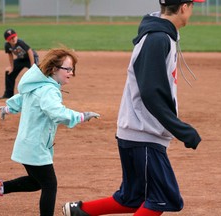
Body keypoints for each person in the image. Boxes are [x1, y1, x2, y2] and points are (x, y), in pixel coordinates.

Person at [62, 0, 205, 216]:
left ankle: (79, 212)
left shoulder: (159, 35)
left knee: (133, 197)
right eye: (193, 5)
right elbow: (151, 93)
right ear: (184, 7)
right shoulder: (158, 39)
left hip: (136, 130)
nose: (193, 10)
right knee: (163, 198)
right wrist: (181, 130)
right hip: (144, 132)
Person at [0, 48, 100, 216]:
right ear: (54, 69)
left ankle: (0, 187)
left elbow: (23, 98)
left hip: (28, 143)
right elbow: (57, 112)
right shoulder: (49, 90)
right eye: (67, 69)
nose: (71, 72)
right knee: (49, 185)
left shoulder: (39, 86)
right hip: (35, 146)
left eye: (72, 69)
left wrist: (8, 108)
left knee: (37, 181)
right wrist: (81, 116)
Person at [0, 28, 39, 99]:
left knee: (36, 73)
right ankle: (8, 94)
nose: (13, 39)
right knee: (9, 72)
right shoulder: (7, 45)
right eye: (10, 38)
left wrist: (33, 65)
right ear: (7, 40)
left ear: (16, 36)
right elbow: (10, 55)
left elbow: (30, 51)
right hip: (21, 59)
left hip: (31, 58)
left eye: (14, 37)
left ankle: (38, 93)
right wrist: (12, 67)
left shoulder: (20, 42)